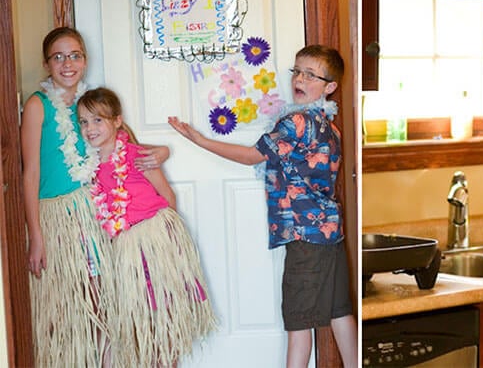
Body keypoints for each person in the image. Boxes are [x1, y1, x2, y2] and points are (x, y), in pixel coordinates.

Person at [168, 45, 357, 368]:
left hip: (305, 237)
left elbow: (252, 156)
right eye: (297, 71)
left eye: (310, 74)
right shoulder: (330, 126)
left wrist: (200, 140)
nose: (299, 78)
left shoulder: (297, 121)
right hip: (329, 233)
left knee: (298, 322)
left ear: (329, 87)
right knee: (340, 312)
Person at [20, 26, 169, 367]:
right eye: (58, 57)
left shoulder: (92, 104)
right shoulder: (37, 105)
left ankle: (114, 359)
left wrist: (161, 151)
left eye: (74, 55)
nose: (67, 63)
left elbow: (127, 145)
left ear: (85, 61)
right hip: (60, 217)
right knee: (76, 303)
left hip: (99, 212)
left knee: (110, 296)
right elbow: (29, 174)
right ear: (47, 64)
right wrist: (36, 237)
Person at [77, 87, 217, 367]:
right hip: (124, 253)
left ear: (117, 121)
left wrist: (164, 241)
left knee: (163, 320)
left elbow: (168, 197)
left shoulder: (136, 155)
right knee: (139, 325)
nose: (90, 128)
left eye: (98, 120)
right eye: (83, 121)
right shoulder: (87, 167)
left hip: (154, 245)